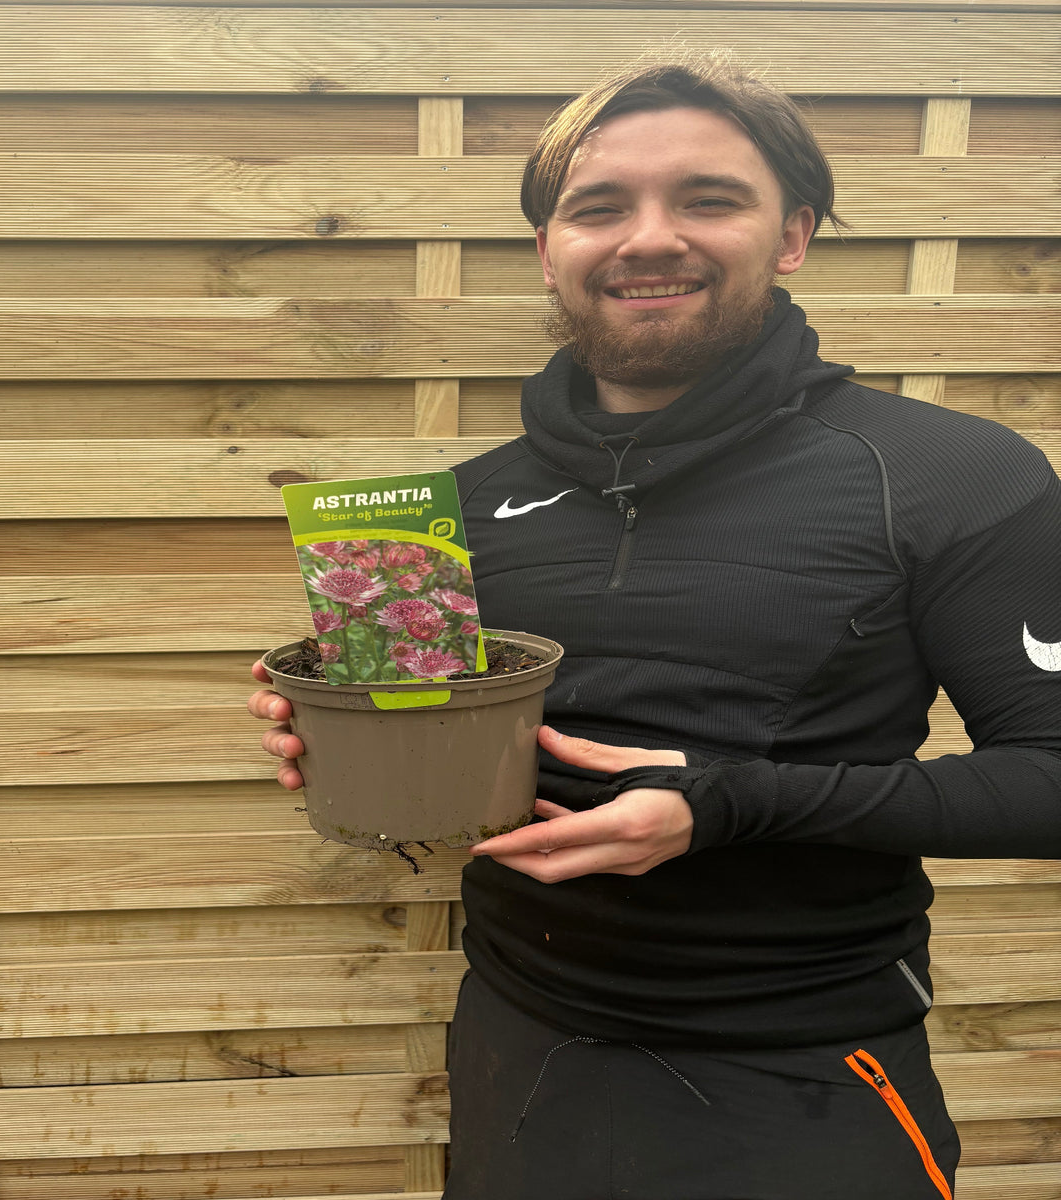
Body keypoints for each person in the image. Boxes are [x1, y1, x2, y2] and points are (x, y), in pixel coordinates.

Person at [250, 56, 1061, 1200]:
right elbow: (445, 770)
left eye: (708, 198)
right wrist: (346, 742)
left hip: (807, 1071)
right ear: (549, 250)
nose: (648, 238)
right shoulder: (461, 509)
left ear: (794, 234)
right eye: (598, 207)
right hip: (520, 1046)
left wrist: (733, 803)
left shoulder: (949, 476)